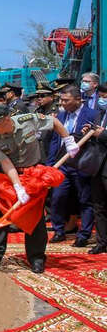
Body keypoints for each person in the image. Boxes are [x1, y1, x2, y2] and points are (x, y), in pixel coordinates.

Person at [0, 104, 78, 273]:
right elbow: (6, 163)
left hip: (34, 172)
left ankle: (37, 257)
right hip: (8, 175)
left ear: (6, 119)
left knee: (35, 216)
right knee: (0, 212)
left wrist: (68, 140)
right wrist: (18, 187)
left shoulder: (28, 120)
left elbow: (54, 122)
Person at [47, 85, 98, 247]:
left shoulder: (92, 114)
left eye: (66, 100)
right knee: (58, 197)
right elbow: (55, 141)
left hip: (82, 164)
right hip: (62, 164)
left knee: (84, 199)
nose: (62, 103)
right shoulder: (61, 116)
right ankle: (59, 230)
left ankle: (84, 234)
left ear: (78, 99)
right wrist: (51, 164)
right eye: (61, 100)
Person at [84, 95, 107, 254]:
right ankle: (102, 242)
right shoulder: (100, 114)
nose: (102, 99)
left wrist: (101, 135)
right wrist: (89, 132)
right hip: (98, 165)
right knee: (99, 206)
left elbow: (102, 135)